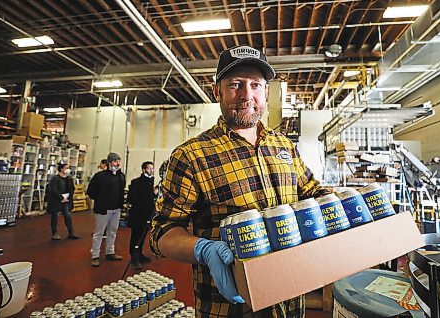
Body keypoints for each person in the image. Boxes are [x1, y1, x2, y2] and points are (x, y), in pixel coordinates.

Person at [150, 45, 329, 317]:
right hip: (229, 305)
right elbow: (162, 232)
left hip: (290, 297)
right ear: (216, 91)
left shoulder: (284, 146)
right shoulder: (191, 155)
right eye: (235, 84)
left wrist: (351, 204)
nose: (247, 95)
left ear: (266, 93)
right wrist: (203, 249)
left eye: (256, 85)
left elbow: (314, 194)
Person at [87, 152, 126, 267]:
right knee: (99, 233)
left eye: (119, 161)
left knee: (112, 232)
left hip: (116, 209)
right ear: (109, 162)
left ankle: (110, 252)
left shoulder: (121, 176)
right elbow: (91, 192)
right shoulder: (100, 176)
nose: (117, 163)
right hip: (103, 209)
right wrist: (100, 200)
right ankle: (95, 255)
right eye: (115, 161)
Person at [127, 161, 158, 270]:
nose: (151, 170)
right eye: (149, 168)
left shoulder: (151, 182)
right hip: (138, 215)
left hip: (147, 215)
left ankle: (139, 255)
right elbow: (133, 198)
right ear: (144, 169)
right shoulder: (137, 182)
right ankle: (134, 257)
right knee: (135, 237)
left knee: (142, 236)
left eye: (152, 169)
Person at [47, 163, 79, 240]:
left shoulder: (69, 178)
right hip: (56, 200)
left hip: (66, 200)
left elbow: (72, 188)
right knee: (55, 215)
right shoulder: (55, 179)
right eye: (66, 168)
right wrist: (61, 197)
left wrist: (68, 197)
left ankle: (70, 232)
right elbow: (54, 189)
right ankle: (54, 232)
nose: (68, 169)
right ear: (61, 169)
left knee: (67, 215)